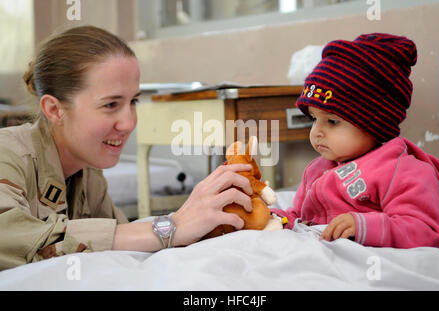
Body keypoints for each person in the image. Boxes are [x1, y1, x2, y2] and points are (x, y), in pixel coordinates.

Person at [0, 25, 255, 270]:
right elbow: (13, 238)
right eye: (111, 105)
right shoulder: (8, 155)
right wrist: (170, 227)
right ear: (55, 110)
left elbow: (125, 244)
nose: (129, 123)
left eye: (133, 101)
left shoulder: (89, 178)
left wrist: (204, 221)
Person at [271, 33, 439, 249]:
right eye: (313, 119)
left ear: (374, 123)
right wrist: (279, 219)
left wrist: (364, 226)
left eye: (333, 121)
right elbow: (300, 215)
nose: (317, 131)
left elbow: (425, 231)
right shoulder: (316, 170)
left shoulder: (402, 171)